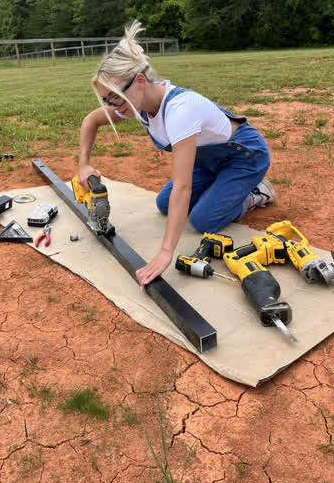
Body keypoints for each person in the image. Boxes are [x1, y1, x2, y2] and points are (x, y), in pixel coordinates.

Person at [78, 20, 275, 290]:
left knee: (202, 220)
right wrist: (84, 164)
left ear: (139, 81)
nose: (113, 106)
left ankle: (256, 193)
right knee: (164, 204)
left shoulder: (179, 110)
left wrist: (165, 253)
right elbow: (91, 120)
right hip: (206, 159)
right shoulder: (136, 103)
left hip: (243, 156)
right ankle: (222, 186)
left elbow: (182, 187)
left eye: (116, 98)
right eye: (106, 100)